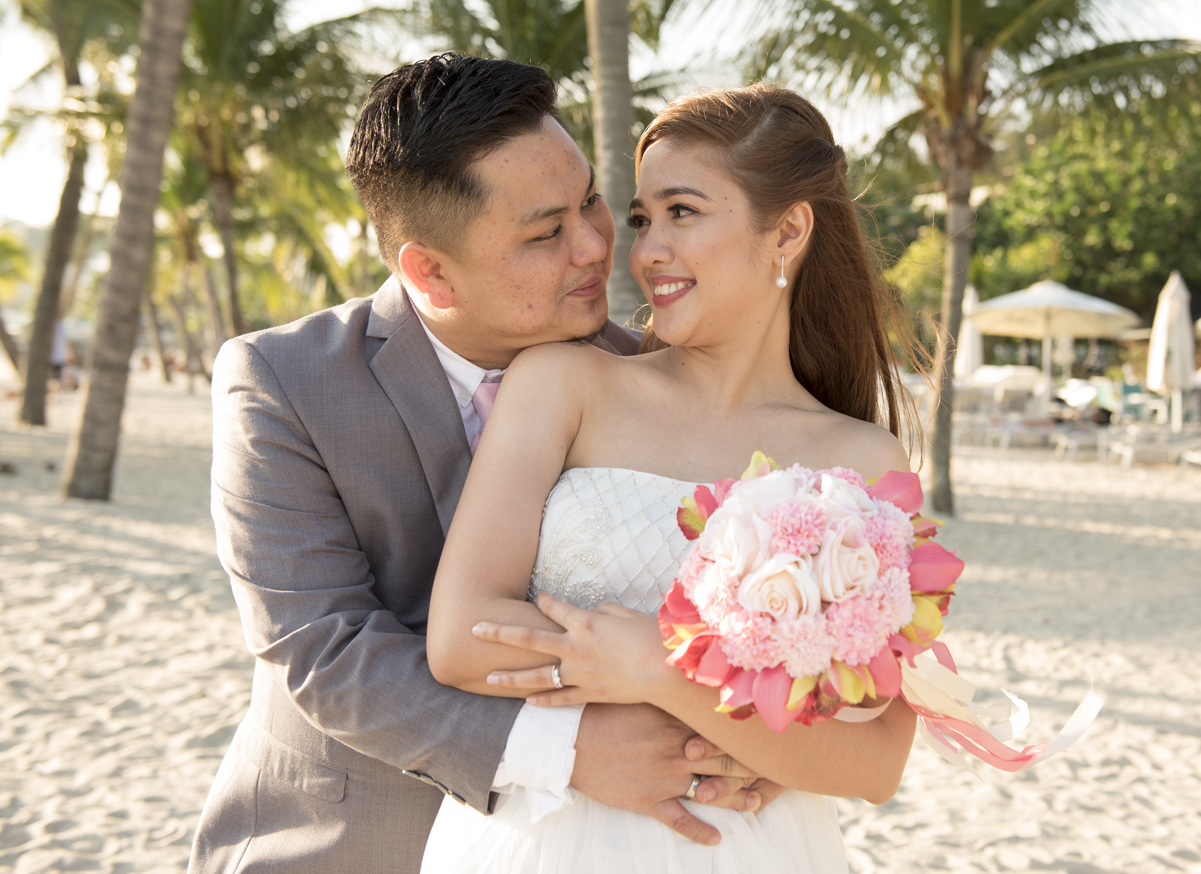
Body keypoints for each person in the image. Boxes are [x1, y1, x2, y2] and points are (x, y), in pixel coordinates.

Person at [189, 55, 768, 874]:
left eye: (592, 200)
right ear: (428, 269)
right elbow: (324, 649)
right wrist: (565, 748)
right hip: (347, 846)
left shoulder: (648, 370)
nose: (598, 245)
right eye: (545, 233)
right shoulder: (281, 382)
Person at [420, 85, 923, 872]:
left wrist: (661, 667)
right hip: (547, 835)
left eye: (682, 212)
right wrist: (717, 700)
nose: (647, 251)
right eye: (643, 218)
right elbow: (458, 637)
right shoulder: (564, 384)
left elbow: (877, 759)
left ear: (787, 230)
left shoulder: (863, 465)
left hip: (749, 847)